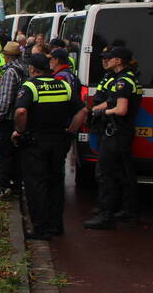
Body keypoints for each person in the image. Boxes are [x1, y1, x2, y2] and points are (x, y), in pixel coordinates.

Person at [13, 54, 86, 240]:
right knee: (56, 182)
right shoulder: (64, 85)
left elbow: (21, 111)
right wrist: (71, 131)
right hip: (59, 141)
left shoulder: (30, 86)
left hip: (35, 142)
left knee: (36, 184)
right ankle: (56, 225)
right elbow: (82, 110)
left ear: (32, 69)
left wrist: (19, 131)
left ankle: (40, 228)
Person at [84, 46, 140, 229]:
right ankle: (128, 211)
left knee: (105, 173)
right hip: (122, 132)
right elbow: (112, 101)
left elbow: (121, 109)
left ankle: (105, 216)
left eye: (110, 58)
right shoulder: (126, 77)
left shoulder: (122, 81)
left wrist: (103, 112)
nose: (106, 60)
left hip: (116, 132)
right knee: (124, 173)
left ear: (118, 61)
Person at [0, 42, 28, 199]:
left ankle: (4, 186)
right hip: (20, 119)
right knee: (17, 154)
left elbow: (6, 98)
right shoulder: (24, 69)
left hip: (8, 119)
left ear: (7, 56)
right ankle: (17, 185)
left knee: (5, 154)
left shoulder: (10, 72)